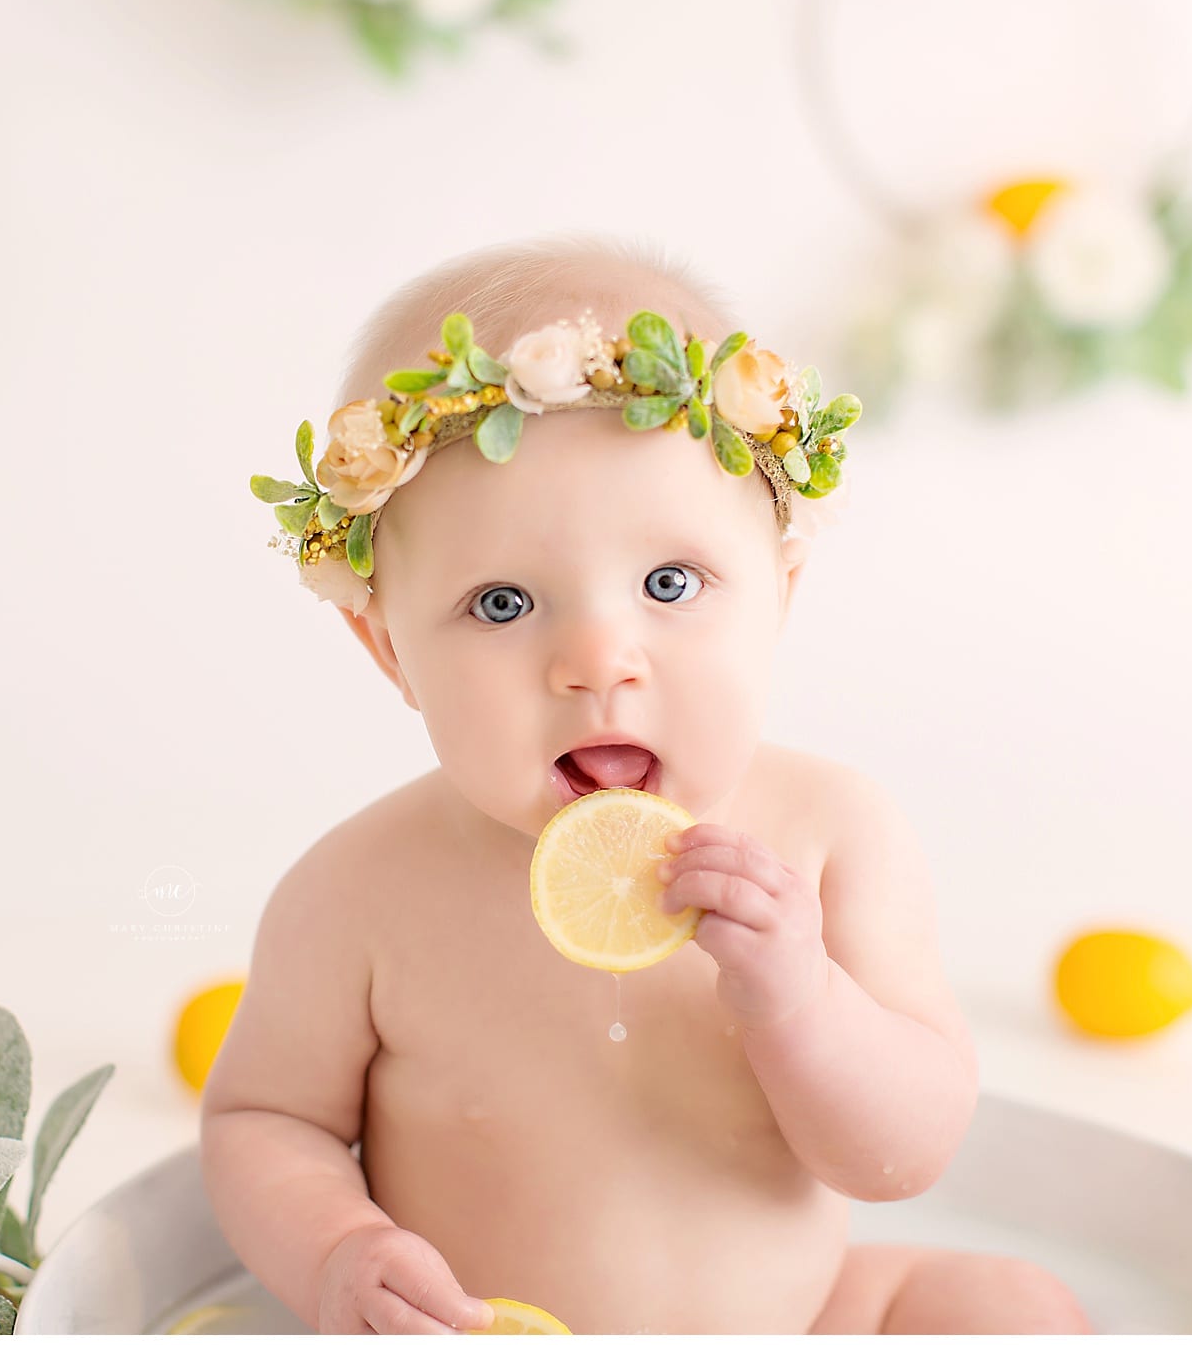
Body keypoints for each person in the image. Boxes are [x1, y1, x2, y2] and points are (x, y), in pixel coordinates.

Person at [201, 233, 1090, 1334]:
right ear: (388, 652)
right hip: (493, 1331)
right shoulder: (357, 894)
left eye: (669, 582)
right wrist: (339, 1250)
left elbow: (900, 1159)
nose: (599, 660)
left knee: (1010, 1306)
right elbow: (262, 1119)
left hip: (799, 1318)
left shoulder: (830, 837)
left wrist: (801, 1000)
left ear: (780, 590)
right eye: (501, 604)